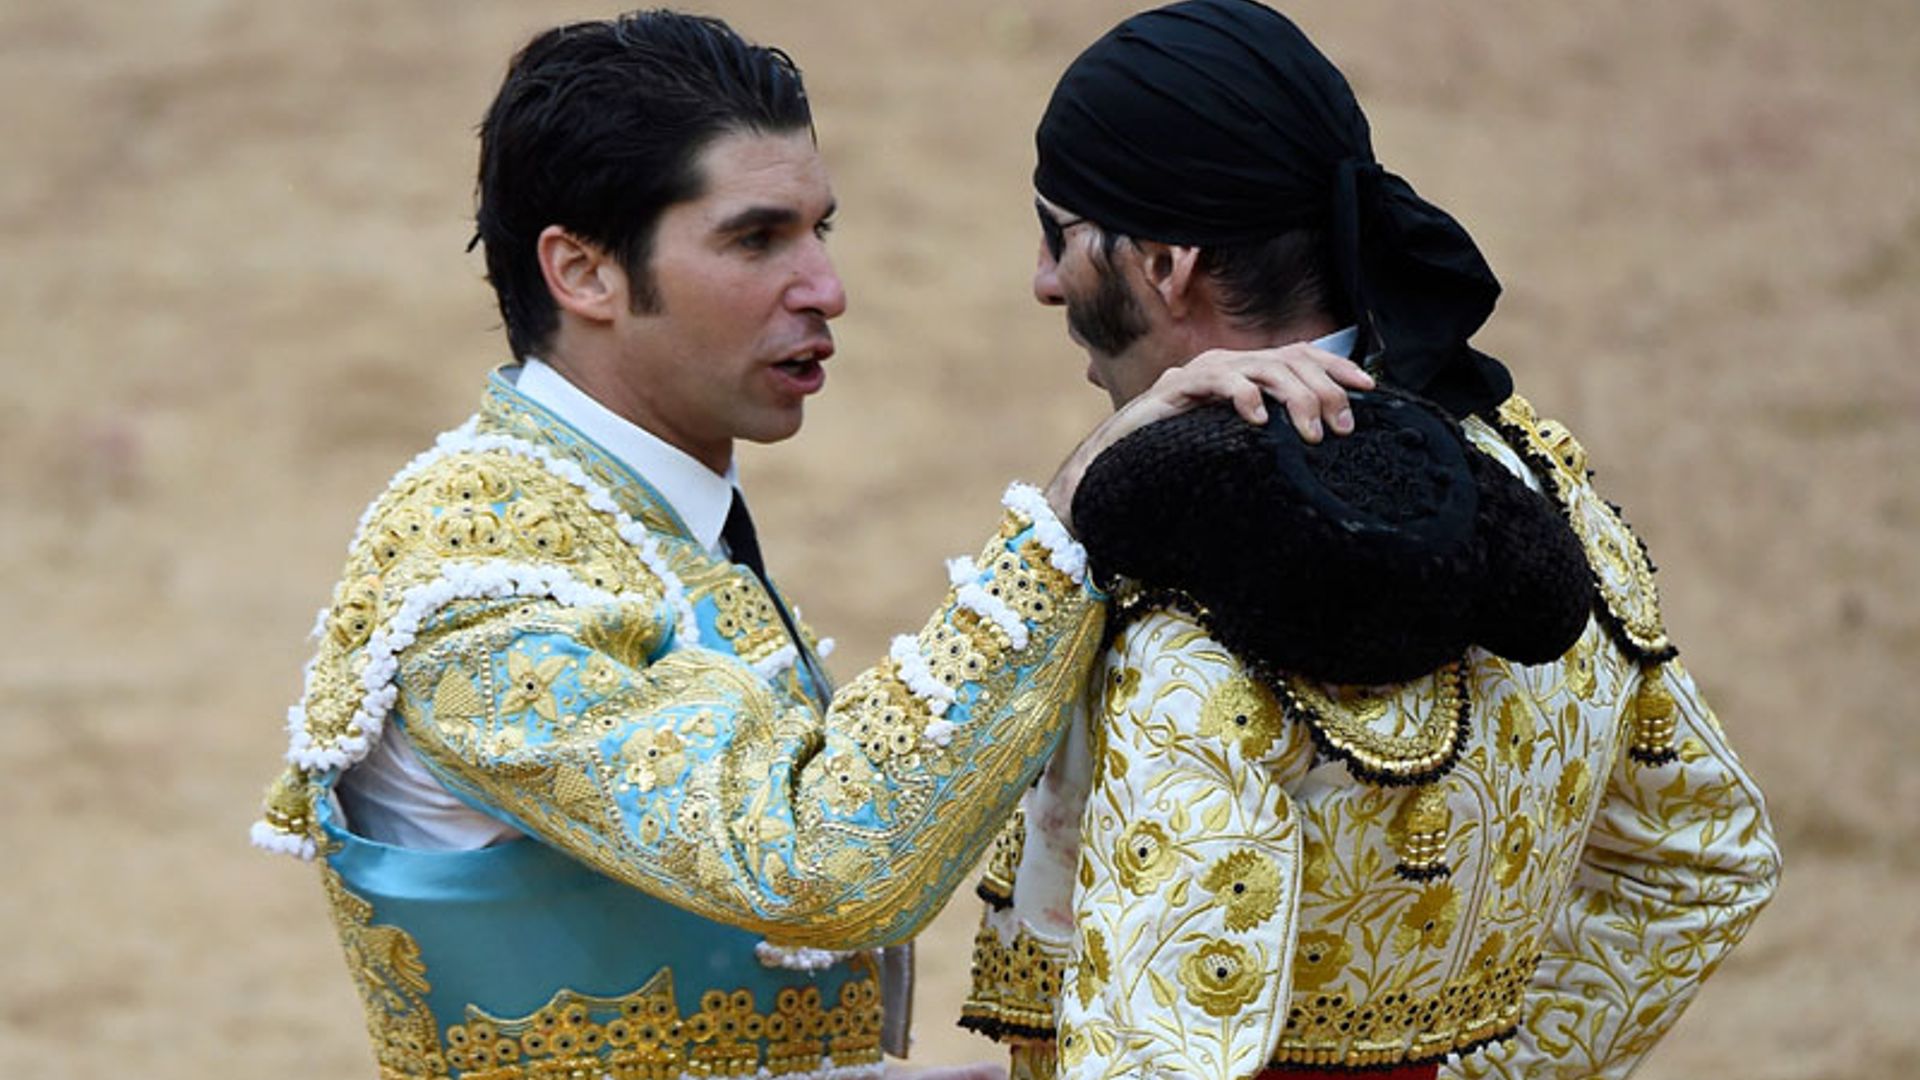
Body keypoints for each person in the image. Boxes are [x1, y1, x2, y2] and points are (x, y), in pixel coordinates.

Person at [248, 10, 1372, 1080]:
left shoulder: (632, 517)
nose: (826, 288)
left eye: (819, 229)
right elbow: (814, 865)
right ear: (583, 271)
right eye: (756, 239)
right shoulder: (475, 570)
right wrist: (1078, 511)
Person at [957, 3, 1781, 1079]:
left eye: (1057, 229)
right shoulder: (1549, 491)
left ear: (1165, 262)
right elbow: (1705, 863)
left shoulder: (1198, 573)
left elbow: (1160, 1057)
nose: (1044, 279)